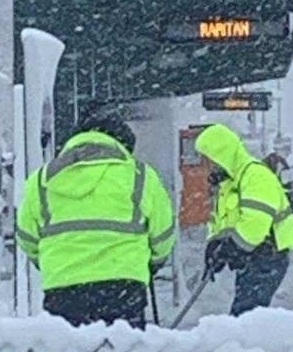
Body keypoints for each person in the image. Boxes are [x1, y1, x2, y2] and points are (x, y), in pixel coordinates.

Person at [16, 113, 175, 329]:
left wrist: (50, 262)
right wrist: (153, 262)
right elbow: (163, 233)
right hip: (124, 286)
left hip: (63, 289)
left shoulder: (41, 180)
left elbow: (26, 237)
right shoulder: (141, 176)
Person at [195, 123, 293, 316]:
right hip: (253, 258)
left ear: (222, 155)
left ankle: (256, 344)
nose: (207, 166)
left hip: (268, 256)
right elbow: (221, 221)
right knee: (244, 314)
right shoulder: (228, 184)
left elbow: (255, 223)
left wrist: (232, 248)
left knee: (245, 316)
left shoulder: (255, 176)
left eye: (209, 159)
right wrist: (214, 245)